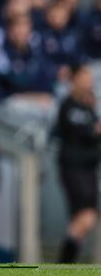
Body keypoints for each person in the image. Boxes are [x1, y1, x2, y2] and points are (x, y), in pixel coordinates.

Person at [54, 64, 100, 263]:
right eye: (84, 77)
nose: (89, 82)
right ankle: (64, 263)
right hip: (74, 168)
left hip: (89, 169)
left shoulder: (89, 107)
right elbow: (81, 132)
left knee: (84, 219)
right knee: (86, 215)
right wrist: (94, 130)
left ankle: (65, 263)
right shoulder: (68, 105)